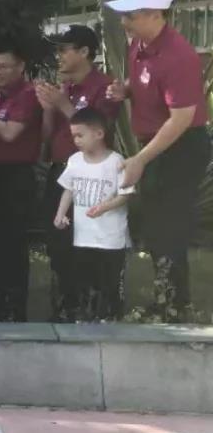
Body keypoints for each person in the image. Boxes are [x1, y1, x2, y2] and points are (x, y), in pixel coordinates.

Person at [105, 0, 211, 316]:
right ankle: (166, 300)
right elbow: (147, 84)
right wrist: (125, 90)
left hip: (181, 147)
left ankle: (175, 305)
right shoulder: (139, 44)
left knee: (170, 226)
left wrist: (140, 158)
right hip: (155, 145)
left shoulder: (179, 56)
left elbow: (181, 119)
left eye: (131, 15)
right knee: (155, 225)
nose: (124, 21)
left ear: (155, 14)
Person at [35, 25, 119, 321]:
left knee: (89, 248)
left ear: (84, 52)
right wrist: (49, 108)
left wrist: (63, 104)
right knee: (59, 245)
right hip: (61, 173)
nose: (58, 56)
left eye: (63, 49)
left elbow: (97, 134)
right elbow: (47, 136)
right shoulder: (66, 89)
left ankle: (93, 312)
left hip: (92, 178)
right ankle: (64, 310)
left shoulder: (104, 86)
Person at [0, 43, 42, 322]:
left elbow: (9, 133)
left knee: (11, 247)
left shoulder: (28, 95)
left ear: (20, 67)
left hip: (16, 177)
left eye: (3, 66)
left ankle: (14, 314)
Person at [53, 108, 134, 320]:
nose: (76, 141)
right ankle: (86, 318)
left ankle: (111, 319)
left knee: (109, 282)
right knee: (85, 281)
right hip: (83, 236)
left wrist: (105, 207)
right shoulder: (75, 160)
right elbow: (68, 189)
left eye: (80, 135)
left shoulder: (116, 161)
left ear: (99, 133)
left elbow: (126, 194)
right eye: (74, 136)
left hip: (110, 238)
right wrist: (60, 214)